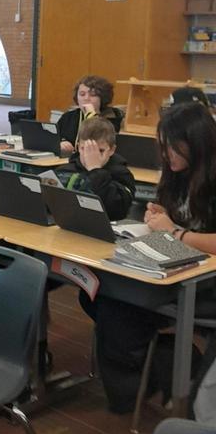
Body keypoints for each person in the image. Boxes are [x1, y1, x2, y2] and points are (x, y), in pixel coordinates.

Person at [91, 103, 216, 412]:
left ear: (197, 143)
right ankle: (150, 376)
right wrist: (161, 215)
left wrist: (175, 232)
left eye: (174, 147)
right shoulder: (178, 175)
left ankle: (163, 371)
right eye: (163, 146)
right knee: (104, 297)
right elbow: (179, 218)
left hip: (205, 281)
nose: (167, 154)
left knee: (117, 303)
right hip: (173, 267)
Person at [55, 117, 135, 220]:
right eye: (86, 149)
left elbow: (117, 211)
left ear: (111, 150)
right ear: (78, 147)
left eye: (100, 151)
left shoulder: (121, 174)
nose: (90, 156)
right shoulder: (65, 171)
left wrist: (95, 170)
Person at [56, 75, 123, 155]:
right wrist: (61, 143)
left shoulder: (112, 118)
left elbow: (101, 141)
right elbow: (55, 138)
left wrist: (91, 114)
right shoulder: (68, 117)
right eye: (82, 94)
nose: (86, 98)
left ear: (102, 98)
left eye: (93, 95)